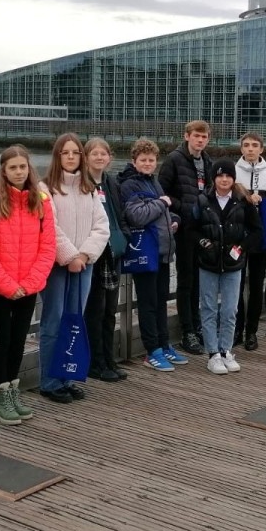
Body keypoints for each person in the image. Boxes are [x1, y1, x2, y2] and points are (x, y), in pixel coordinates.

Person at [0, 145, 56, 425]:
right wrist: (8, 284)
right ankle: (1, 394)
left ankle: (13, 389)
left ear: (29, 168)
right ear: (4, 170)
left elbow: (48, 246)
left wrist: (33, 281)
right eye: (12, 167)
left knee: (20, 340)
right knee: (3, 341)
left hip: (29, 286)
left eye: (22, 166)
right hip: (2, 288)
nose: (19, 172)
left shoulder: (42, 201)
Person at [38, 132, 110, 402]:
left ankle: (67, 376)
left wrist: (85, 255)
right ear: (57, 156)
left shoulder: (88, 188)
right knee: (53, 322)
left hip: (84, 265)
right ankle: (49, 381)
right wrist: (70, 256)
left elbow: (101, 226)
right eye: (65, 152)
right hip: (57, 266)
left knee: (74, 321)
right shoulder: (46, 189)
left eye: (75, 152)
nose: (71, 157)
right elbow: (50, 227)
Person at [119, 138, 183, 371]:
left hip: (162, 252)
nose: (148, 163)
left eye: (151, 160)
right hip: (145, 252)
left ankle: (164, 345)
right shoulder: (129, 185)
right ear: (134, 161)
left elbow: (160, 212)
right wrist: (162, 203)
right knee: (148, 303)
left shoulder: (153, 182)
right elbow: (137, 216)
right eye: (143, 160)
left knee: (161, 302)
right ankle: (151, 351)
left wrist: (174, 220)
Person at [194, 160, 261, 375]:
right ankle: (212, 353)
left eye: (228, 176)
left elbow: (257, 231)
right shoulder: (203, 200)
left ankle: (226, 350)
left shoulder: (243, 201)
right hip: (209, 262)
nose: (224, 180)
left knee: (230, 309)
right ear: (214, 178)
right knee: (209, 308)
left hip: (233, 264)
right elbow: (191, 230)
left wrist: (241, 248)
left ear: (233, 178)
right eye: (220, 176)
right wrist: (204, 243)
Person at [158, 120, 212, 354]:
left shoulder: (208, 161)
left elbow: (209, 191)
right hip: (184, 227)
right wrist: (184, 209)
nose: (200, 140)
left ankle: (197, 325)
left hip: (203, 228)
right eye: (197, 136)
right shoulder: (174, 159)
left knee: (199, 279)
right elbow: (163, 192)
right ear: (187, 136)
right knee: (185, 279)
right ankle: (187, 330)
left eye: (204, 137)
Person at [82, 138, 130, 380]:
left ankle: (109, 360)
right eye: (94, 154)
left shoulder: (111, 182)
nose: (99, 158)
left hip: (114, 251)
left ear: (109, 157)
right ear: (86, 157)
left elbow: (120, 213)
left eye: (103, 154)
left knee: (110, 309)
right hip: (95, 253)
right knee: (95, 310)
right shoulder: (83, 183)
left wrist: (125, 236)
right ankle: (95, 362)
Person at [233, 131, 266, 349]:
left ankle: (251, 331)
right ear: (241, 148)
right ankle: (236, 329)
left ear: (262, 149)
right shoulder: (232, 172)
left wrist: (263, 200)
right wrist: (245, 198)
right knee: (235, 286)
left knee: (255, 286)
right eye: (246, 145)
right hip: (237, 236)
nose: (251, 149)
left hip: (260, 238)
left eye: (255, 145)